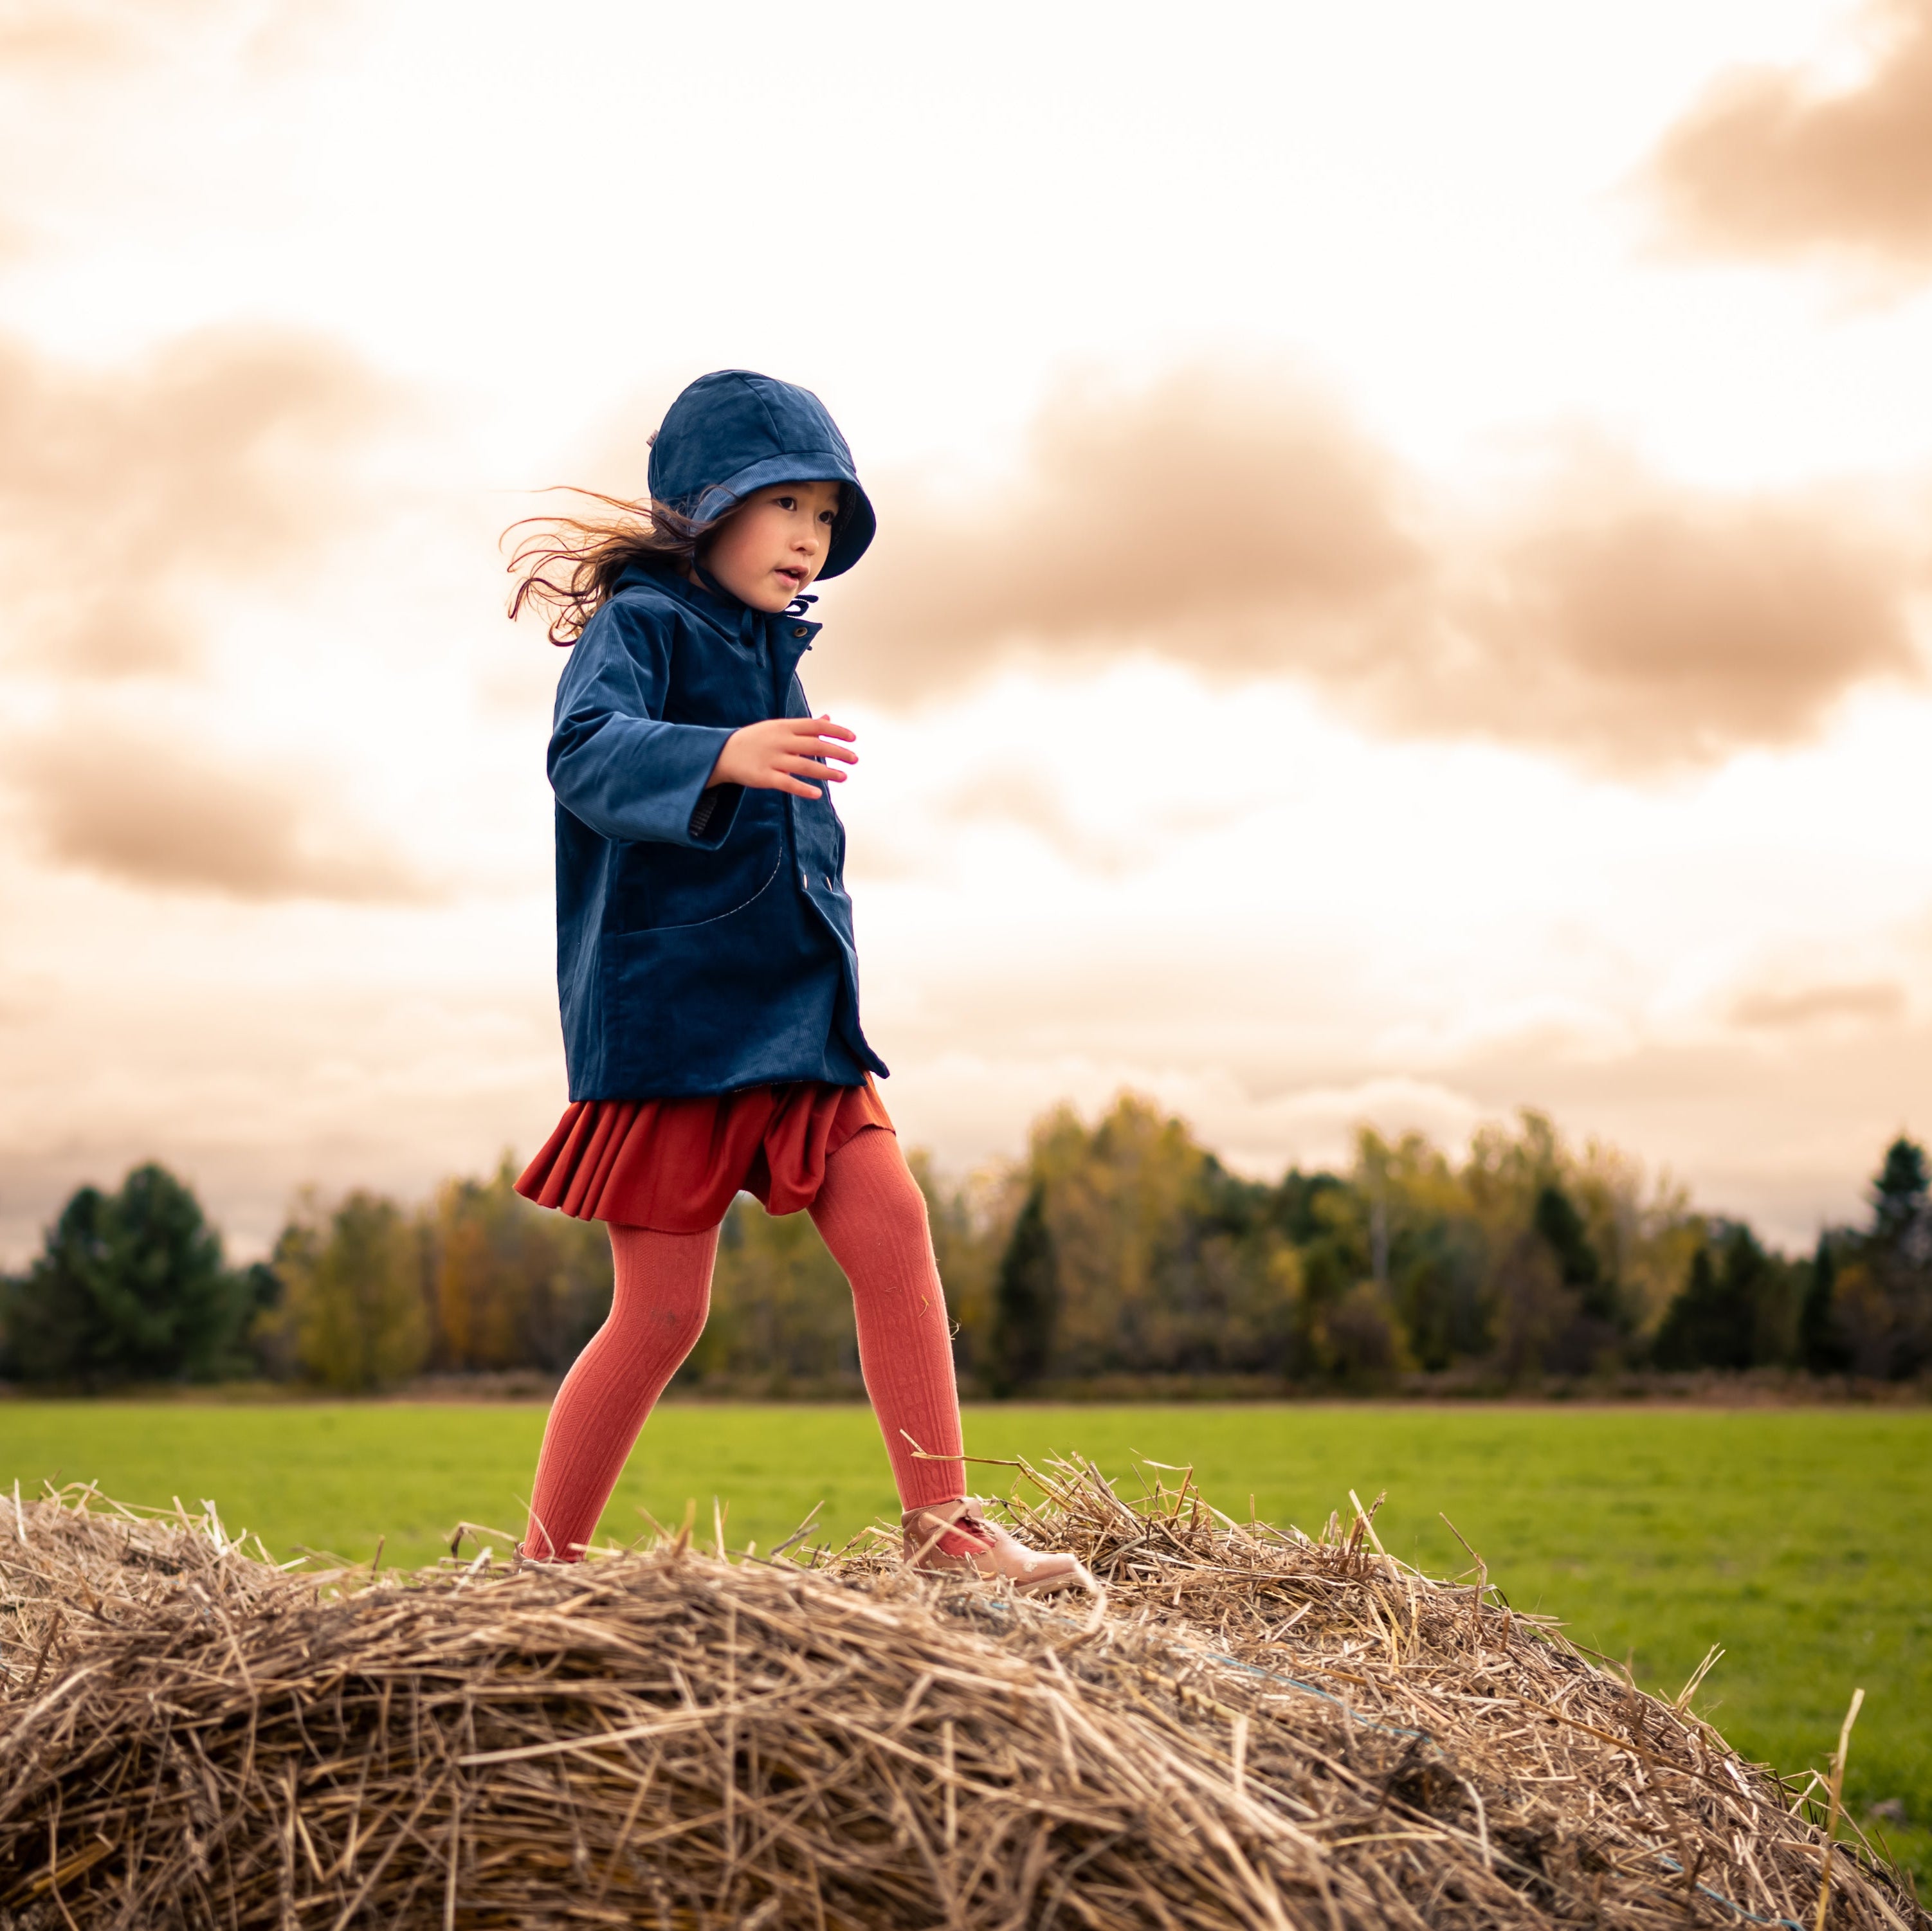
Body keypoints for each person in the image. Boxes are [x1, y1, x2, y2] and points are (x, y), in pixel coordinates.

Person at [506, 369, 1089, 1593]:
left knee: (894, 1230)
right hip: (674, 1026)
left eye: (827, 516)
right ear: (706, 509)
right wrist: (720, 750)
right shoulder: (644, 625)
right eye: (788, 506)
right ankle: (539, 1579)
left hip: (796, 1018)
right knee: (662, 1317)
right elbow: (584, 754)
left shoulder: (777, 650)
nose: (811, 537)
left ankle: (946, 1532)